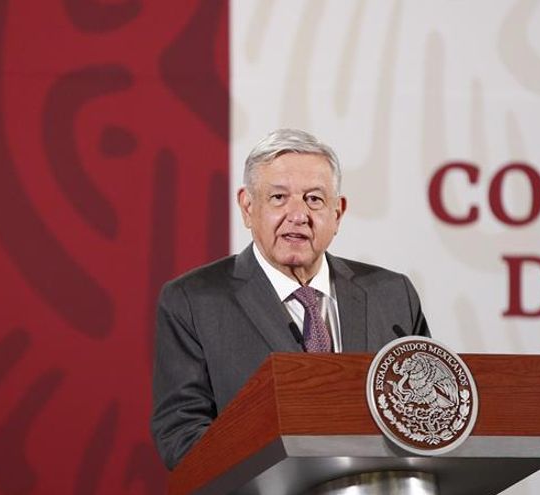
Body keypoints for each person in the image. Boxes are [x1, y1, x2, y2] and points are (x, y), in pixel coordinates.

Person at [151, 128, 430, 470]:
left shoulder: (391, 294)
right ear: (248, 206)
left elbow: (426, 418)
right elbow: (182, 435)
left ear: (338, 213)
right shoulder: (194, 301)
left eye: (314, 199)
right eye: (279, 198)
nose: (298, 215)